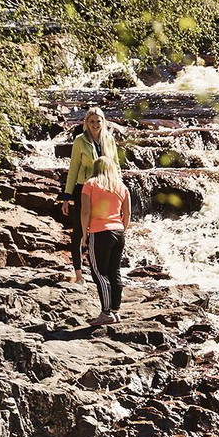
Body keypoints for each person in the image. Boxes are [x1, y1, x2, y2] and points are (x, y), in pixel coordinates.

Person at [61, 107, 120, 283]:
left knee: (101, 230)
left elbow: (116, 165)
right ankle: (79, 275)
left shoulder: (109, 139)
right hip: (84, 189)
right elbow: (73, 169)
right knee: (79, 231)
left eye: (98, 121)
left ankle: (101, 273)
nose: (95, 124)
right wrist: (67, 196)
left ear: (104, 122)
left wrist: (119, 188)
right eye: (92, 121)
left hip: (105, 190)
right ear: (86, 123)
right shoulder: (80, 141)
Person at [80, 157, 130, 326]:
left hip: (99, 232)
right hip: (118, 232)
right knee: (114, 271)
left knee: (99, 273)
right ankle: (115, 311)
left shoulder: (90, 184)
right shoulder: (121, 187)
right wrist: (123, 228)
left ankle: (106, 312)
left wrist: (84, 233)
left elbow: (85, 211)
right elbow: (127, 213)